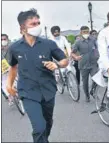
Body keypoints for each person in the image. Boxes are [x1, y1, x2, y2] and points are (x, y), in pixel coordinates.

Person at [6, 9, 68, 142]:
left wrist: (57, 65)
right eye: (33, 24)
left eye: (38, 22)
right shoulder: (15, 48)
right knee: (39, 127)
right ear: (23, 27)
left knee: (47, 124)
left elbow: (64, 60)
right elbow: (13, 67)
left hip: (48, 91)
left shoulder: (49, 44)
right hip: (28, 93)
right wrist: (9, 85)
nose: (37, 26)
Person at [71, 26, 99, 102]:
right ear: (81, 32)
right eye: (84, 32)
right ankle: (87, 95)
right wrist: (76, 57)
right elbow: (72, 53)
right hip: (83, 65)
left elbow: (97, 49)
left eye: (87, 31)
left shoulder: (93, 40)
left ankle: (92, 91)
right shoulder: (78, 42)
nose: (86, 33)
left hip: (93, 64)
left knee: (97, 79)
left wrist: (98, 56)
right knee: (85, 83)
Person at [1, 34, 13, 104]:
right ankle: (9, 97)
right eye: (1, 40)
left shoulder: (11, 45)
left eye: (4, 39)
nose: (3, 41)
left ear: (7, 39)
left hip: (13, 65)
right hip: (3, 68)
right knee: (4, 82)